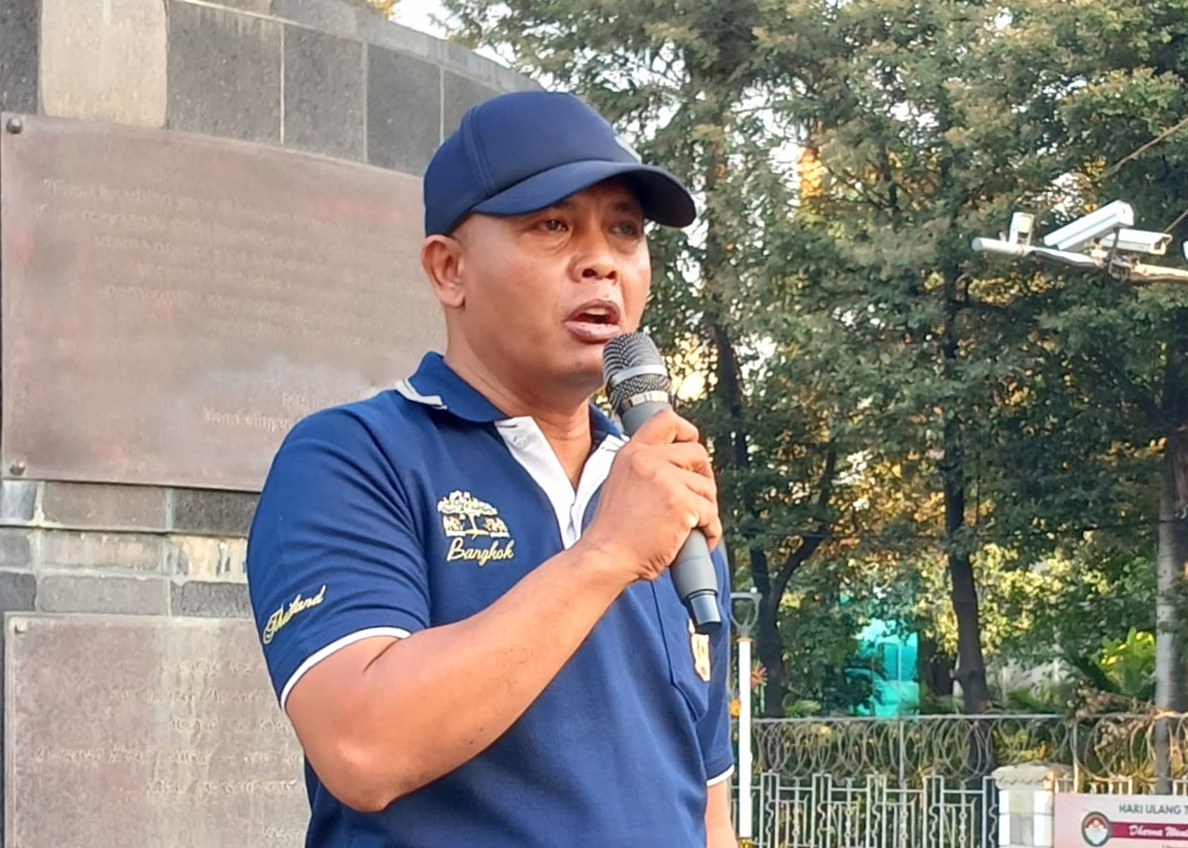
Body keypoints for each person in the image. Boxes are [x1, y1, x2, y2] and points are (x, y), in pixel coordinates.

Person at [246, 89, 738, 848]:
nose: (602, 262)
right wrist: (606, 554)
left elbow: (705, 803)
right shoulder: (353, 458)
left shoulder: (663, 489)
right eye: (553, 226)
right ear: (449, 270)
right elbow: (362, 746)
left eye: (625, 230)